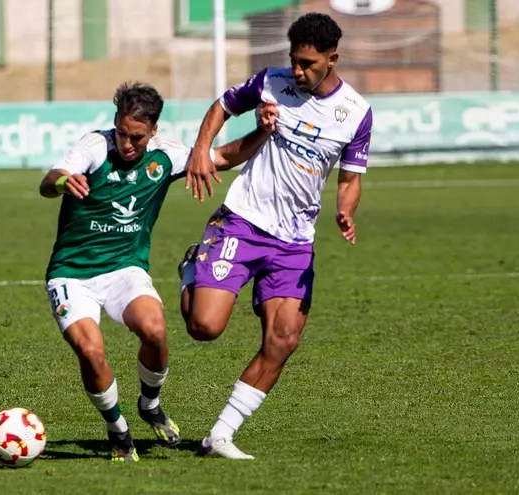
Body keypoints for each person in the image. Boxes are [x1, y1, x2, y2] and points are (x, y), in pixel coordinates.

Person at [39, 81, 273, 462]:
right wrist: (65, 180)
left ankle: (150, 404)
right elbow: (49, 182)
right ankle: (117, 430)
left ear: (153, 131)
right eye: (121, 133)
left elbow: (222, 158)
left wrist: (262, 130)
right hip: (72, 274)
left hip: (125, 269)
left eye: (136, 137)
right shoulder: (95, 147)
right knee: (91, 350)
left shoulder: (165, 156)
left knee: (155, 330)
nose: (127, 144)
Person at [178, 12, 373, 460]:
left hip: (295, 242)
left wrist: (346, 209)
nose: (298, 71)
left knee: (284, 339)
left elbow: (351, 177)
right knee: (204, 327)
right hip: (243, 222)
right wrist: (201, 152)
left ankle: (220, 435)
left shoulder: (357, 114)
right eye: (295, 61)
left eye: (308, 63)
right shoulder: (271, 82)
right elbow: (222, 106)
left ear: (332, 59)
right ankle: (193, 267)